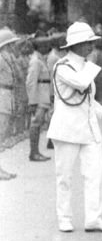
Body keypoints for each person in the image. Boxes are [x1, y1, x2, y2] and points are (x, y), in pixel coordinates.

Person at [48, 21, 102, 233]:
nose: (91, 46)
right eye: (87, 42)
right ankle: (64, 217)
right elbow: (80, 83)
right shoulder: (62, 67)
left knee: (94, 174)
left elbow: (88, 98)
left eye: (91, 42)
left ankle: (93, 218)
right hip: (67, 130)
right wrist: (91, 65)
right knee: (65, 177)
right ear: (75, 45)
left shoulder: (85, 66)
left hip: (88, 130)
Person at [25, 34, 53, 162]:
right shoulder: (36, 61)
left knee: (38, 124)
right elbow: (31, 82)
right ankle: (33, 152)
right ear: (39, 46)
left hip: (43, 96)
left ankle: (35, 151)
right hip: (39, 98)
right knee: (36, 124)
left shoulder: (41, 59)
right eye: (45, 44)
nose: (47, 46)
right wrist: (32, 101)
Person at [0, 28, 22, 179]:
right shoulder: (1, 59)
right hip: (2, 94)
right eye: (12, 44)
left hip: (8, 95)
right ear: (6, 45)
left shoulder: (8, 58)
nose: (15, 46)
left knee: (3, 133)